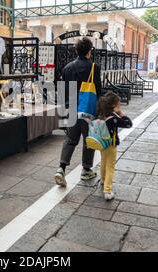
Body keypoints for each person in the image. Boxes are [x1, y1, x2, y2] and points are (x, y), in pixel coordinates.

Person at [55, 37, 102, 187]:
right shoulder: (94, 67)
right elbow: (99, 91)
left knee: (70, 139)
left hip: (73, 109)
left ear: (76, 50)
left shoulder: (67, 68)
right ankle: (86, 170)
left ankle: (61, 169)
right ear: (90, 51)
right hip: (88, 109)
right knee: (89, 141)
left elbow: (61, 93)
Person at [97, 92, 132, 201]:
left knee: (103, 162)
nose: (120, 106)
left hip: (102, 144)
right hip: (111, 146)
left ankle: (103, 180)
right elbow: (128, 124)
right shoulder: (113, 118)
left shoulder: (101, 115)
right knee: (110, 167)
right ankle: (107, 191)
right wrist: (120, 113)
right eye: (118, 104)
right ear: (113, 106)